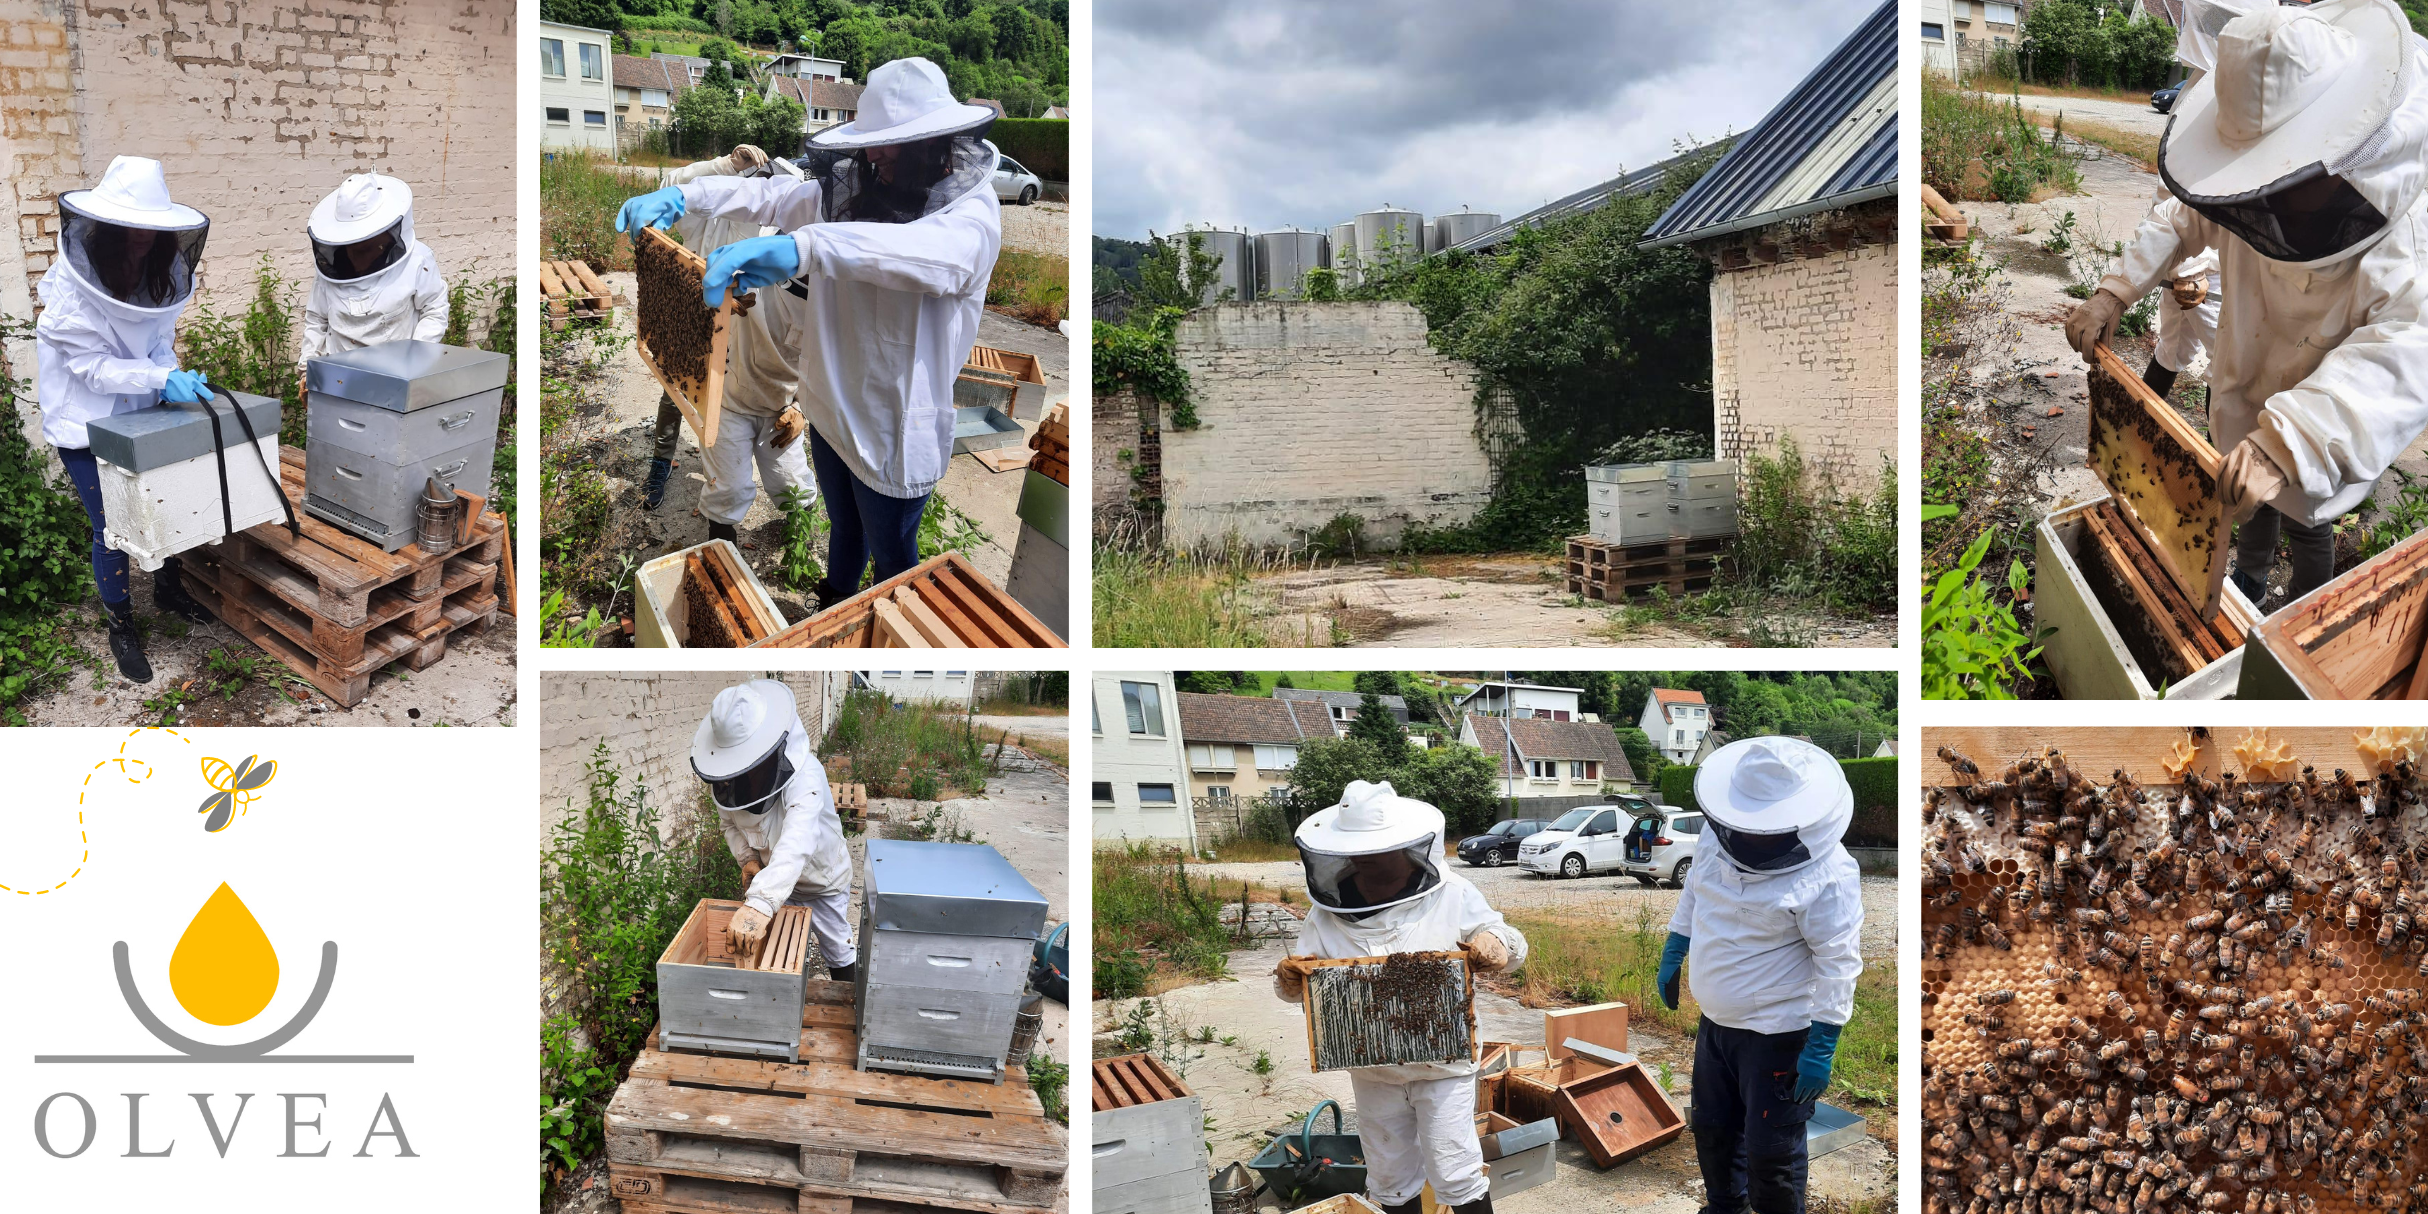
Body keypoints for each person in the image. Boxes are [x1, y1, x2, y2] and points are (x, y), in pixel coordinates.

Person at [2066, 0, 2428, 606]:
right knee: (2244, 503)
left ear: (2343, 155)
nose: (2259, 199)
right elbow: (2181, 217)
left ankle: (2303, 605)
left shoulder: (2406, 234)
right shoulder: (2251, 192)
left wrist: (2296, 442)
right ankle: (2251, 582)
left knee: (2310, 524)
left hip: (2321, 425)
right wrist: (2114, 291)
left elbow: (2406, 354)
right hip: (2243, 394)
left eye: (2282, 176)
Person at [616, 56, 1002, 606]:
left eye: (894, 144)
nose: (875, 156)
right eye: (873, 142)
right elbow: (771, 196)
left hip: (892, 426)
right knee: (844, 532)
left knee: (895, 563)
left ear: (936, 143)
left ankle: (885, 631)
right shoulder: (848, 194)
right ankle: (835, 600)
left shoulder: (972, 215)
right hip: (826, 406)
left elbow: (933, 258)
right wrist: (688, 196)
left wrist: (806, 247)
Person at [1272, 781, 1526, 1214]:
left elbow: (1510, 942)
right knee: (1388, 1178)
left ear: (1404, 847)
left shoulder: (1453, 893)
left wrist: (1496, 945)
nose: (1367, 863)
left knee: (1456, 1170)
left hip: (1442, 1066)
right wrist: (1288, 981)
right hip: (1373, 1071)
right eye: (1359, 854)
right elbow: (1306, 984)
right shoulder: (1325, 914)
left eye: (1378, 852)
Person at [1657, 737, 1863, 1214]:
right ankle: (1725, 1208)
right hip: (1715, 1027)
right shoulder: (1718, 835)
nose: (1749, 840)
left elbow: (1838, 959)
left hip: (1778, 1034)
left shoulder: (1830, 874)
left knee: (1771, 1153)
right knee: (1712, 1129)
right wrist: (1676, 943)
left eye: (1762, 832)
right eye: (1742, 828)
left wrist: (1823, 1043)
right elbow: (1696, 890)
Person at [34, 155, 220, 684]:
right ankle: (121, 626)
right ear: (105, 228)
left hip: (143, 416)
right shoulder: (70, 290)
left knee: (170, 506)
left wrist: (174, 376)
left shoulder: (160, 269)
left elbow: (158, 339)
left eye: (151, 231)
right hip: (85, 426)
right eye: (131, 230)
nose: (142, 239)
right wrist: (160, 381)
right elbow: (92, 370)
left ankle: (168, 590)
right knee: (111, 528)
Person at [628, 143, 816, 541]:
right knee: (722, 479)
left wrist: (803, 408)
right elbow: (674, 188)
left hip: (776, 395)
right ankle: (663, 466)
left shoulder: (800, 256)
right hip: (715, 375)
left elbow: (828, 357)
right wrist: (724, 164)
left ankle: (798, 537)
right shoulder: (713, 219)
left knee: (792, 486)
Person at [691, 679, 857, 981]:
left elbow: (798, 841)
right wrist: (748, 860)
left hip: (822, 880)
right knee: (782, 954)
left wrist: (759, 904)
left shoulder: (805, 775)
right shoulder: (726, 779)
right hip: (777, 880)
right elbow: (729, 823)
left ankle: (851, 1012)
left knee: (837, 949)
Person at [300, 173, 447, 372]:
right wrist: (307, 367)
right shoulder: (330, 268)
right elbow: (317, 319)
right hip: (339, 375)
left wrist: (416, 363)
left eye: (365, 249)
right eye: (352, 247)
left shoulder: (417, 261)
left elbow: (434, 309)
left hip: (397, 373)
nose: (357, 258)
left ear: (384, 238)